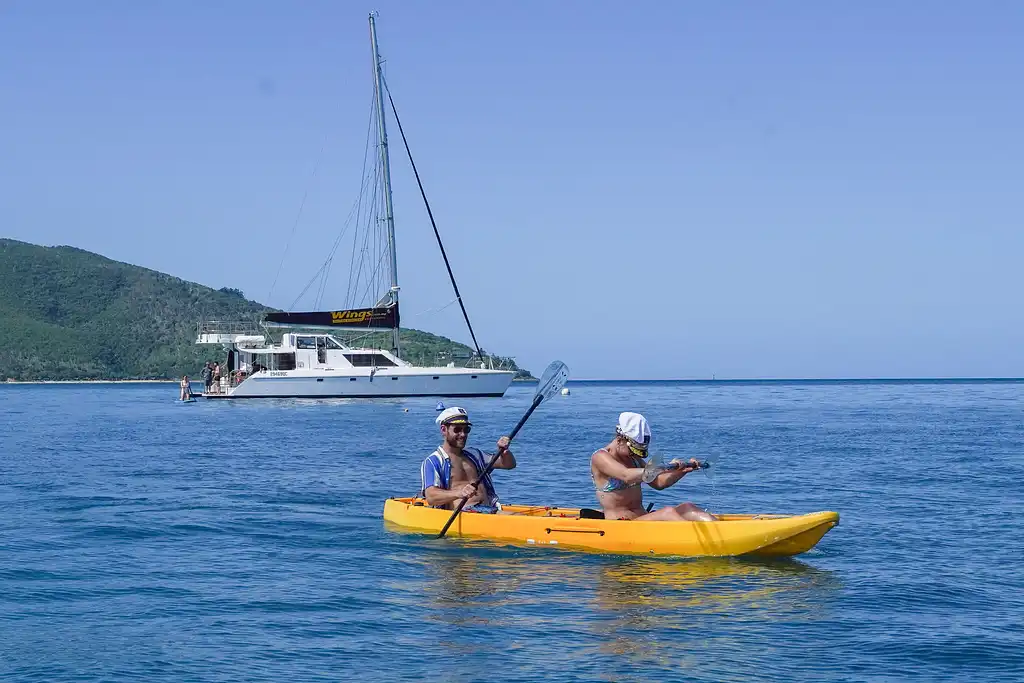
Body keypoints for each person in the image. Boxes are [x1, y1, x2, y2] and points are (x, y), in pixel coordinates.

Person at [590, 412, 717, 522]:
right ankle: (696, 541)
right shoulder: (600, 457)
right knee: (667, 512)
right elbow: (626, 475)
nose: (634, 454)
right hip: (621, 523)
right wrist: (660, 468)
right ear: (619, 440)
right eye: (633, 450)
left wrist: (681, 472)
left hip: (642, 518)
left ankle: (719, 530)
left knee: (688, 507)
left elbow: (658, 483)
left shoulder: (634, 459)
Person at [420, 406, 515, 514]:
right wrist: (459, 493)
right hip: (463, 513)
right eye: (457, 429)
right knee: (518, 521)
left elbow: (509, 464)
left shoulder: (475, 454)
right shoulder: (433, 461)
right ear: (443, 430)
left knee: (519, 518)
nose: (463, 434)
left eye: (466, 430)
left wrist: (504, 453)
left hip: (489, 509)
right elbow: (431, 497)